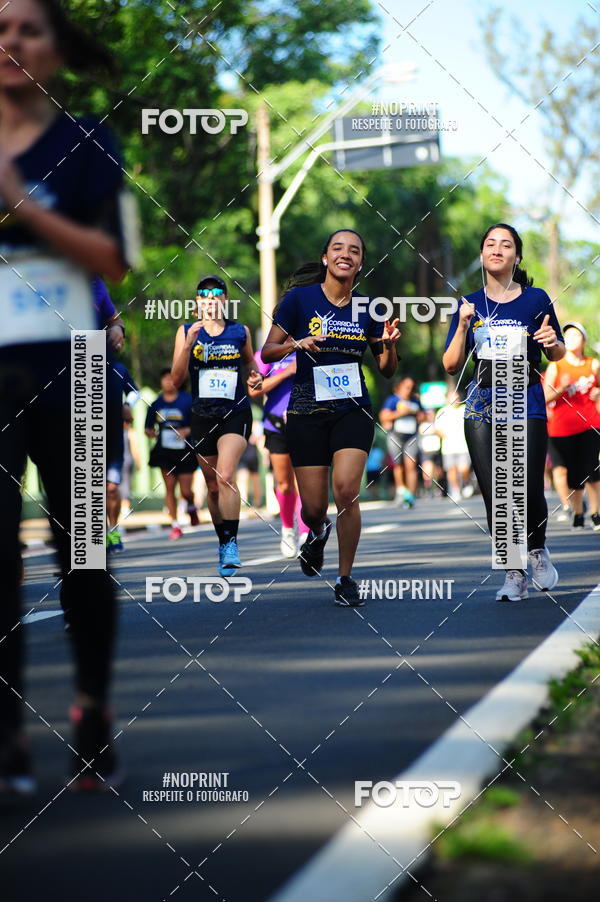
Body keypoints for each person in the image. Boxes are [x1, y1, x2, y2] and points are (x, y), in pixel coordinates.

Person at [0, 0, 130, 792]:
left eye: (29, 28)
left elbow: (114, 258)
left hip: (77, 366)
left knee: (81, 550)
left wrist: (20, 201)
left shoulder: (87, 142)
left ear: (56, 48)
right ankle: (8, 731)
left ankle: (90, 709)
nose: (11, 41)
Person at [261, 229, 400, 606]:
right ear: (325, 258)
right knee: (312, 508)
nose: (346, 254)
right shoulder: (299, 300)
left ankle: (345, 578)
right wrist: (296, 344)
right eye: (338, 248)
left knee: (346, 491)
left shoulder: (370, 308)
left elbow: (387, 369)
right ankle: (318, 530)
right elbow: (268, 350)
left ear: (361, 263)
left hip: (352, 409)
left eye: (354, 250)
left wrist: (388, 346)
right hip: (306, 410)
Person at [443, 223, 565, 602]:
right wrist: (462, 326)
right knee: (497, 492)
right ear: (482, 255)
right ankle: (513, 573)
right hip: (482, 403)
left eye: (506, 244)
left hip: (525, 398)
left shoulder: (536, 299)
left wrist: (552, 342)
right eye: (490, 244)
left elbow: (557, 352)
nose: (497, 249)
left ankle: (536, 548)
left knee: (526, 486)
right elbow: (451, 364)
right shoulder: (468, 304)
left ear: (517, 256)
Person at [170, 275, 263, 575]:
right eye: (204, 294)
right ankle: (223, 542)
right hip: (202, 416)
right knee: (212, 488)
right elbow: (176, 380)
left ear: (224, 299)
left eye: (216, 293)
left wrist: (256, 377)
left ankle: (232, 543)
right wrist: (188, 345)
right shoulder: (186, 331)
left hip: (235, 412)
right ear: (198, 301)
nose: (210, 298)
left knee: (225, 475)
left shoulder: (239, 331)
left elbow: (250, 364)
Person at [250, 348, 309, 557]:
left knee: (305, 482)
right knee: (284, 483)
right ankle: (288, 530)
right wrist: (287, 372)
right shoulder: (265, 355)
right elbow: (254, 390)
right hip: (276, 426)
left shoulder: (308, 349)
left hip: (307, 423)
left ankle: (305, 533)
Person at [544, 322, 600, 530]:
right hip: (563, 427)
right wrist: (562, 388)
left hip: (590, 423)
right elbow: (544, 397)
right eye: (567, 336)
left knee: (592, 468)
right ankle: (577, 512)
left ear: (584, 340)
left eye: (576, 335)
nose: (571, 339)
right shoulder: (556, 366)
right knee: (573, 471)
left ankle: (595, 512)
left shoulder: (593, 364)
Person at [145, 368, 198, 540]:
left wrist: (186, 430)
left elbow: (198, 423)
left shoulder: (187, 400)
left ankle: (191, 506)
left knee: (186, 491)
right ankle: (175, 524)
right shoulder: (156, 404)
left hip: (185, 450)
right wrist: (151, 433)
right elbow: (148, 428)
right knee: (169, 488)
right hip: (165, 452)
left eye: (171, 379)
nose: (168, 382)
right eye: (165, 379)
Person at [379, 376, 422, 508]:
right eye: (406, 387)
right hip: (395, 436)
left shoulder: (415, 400)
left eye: (411, 387)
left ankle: (411, 496)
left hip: (411, 436)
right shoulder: (392, 400)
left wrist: (419, 414)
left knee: (411, 465)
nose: (409, 390)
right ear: (399, 387)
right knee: (398, 465)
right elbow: (384, 416)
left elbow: (424, 415)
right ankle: (401, 492)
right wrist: (400, 413)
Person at [434, 390, 473, 502]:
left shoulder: (464, 409)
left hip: (463, 446)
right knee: (451, 470)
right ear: (447, 399)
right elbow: (437, 429)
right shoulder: (442, 411)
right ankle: (456, 490)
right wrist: (441, 433)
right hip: (448, 447)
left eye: (457, 398)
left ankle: (466, 482)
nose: (455, 400)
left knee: (464, 468)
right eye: (452, 398)